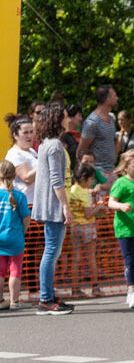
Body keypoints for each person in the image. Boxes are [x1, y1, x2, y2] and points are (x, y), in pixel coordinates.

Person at [32, 106, 74, 314]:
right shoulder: (56, 145)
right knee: (51, 252)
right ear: (58, 120)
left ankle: (47, 295)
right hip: (53, 205)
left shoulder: (45, 144)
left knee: (51, 251)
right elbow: (57, 179)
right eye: (66, 117)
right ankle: (46, 299)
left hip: (47, 204)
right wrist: (65, 206)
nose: (69, 120)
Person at [107, 150, 134, 308]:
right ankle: (131, 291)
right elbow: (111, 202)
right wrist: (121, 206)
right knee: (129, 260)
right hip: (125, 228)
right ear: (125, 168)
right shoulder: (121, 183)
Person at [68, 162, 105, 299]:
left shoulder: (72, 190)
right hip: (87, 227)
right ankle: (95, 288)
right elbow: (88, 214)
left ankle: (75, 289)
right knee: (91, 258)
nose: (92, 182)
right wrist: (99, 207)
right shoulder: (84, 193)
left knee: (76, 259)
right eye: (90, 180)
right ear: (84, 178)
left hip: (75, 228)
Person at [0, 160, 30, 310]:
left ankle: (0, 301)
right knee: (15, 269)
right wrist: (23, 231)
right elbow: (26, 217)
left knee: (0, 270)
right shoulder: (19, 196)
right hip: (15, 237)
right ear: (14, 175)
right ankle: (14, 302)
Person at [78, 84, 118, 182]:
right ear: (107, 99)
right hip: (98, 173)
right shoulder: (92, 122)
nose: (117, 98)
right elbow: (81, 149)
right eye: (114, 96)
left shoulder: (111, 118)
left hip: (111, 171)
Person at [5, 115, 37, 206]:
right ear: (15, 135)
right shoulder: (15, 153)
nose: (30, 136)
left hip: (35, 203)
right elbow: (27, 178)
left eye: (31, 132)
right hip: (24, 204)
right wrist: (44, 162)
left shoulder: (32, 151)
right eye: (25, 133)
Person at [60, 104, 84, 174]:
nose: (81, 119)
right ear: (70, 117)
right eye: (79, 116)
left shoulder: (80, 135)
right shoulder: (63, 137)